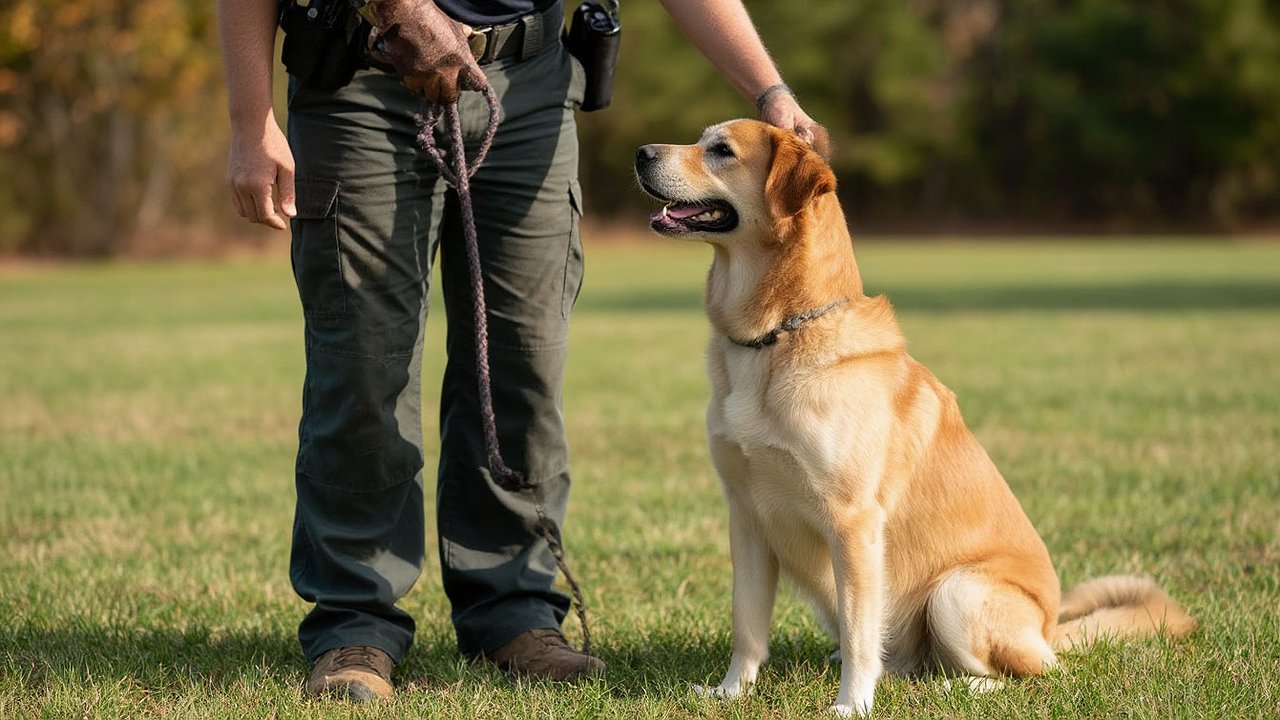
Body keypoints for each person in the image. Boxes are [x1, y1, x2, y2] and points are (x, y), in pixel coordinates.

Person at [217, 0, 821, 702]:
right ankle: (356, 624)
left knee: (524, 365)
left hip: (527, 84)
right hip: (361, 77)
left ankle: (514, 613)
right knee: (364, 370)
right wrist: (250, 118)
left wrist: (769, 91)